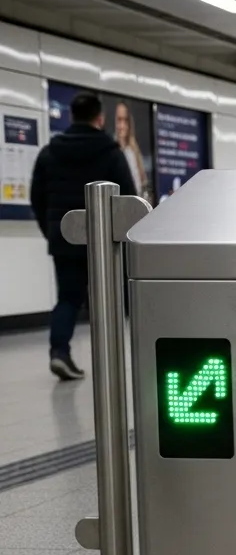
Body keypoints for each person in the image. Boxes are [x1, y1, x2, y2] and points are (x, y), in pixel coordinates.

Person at [30, 92, 138, 381]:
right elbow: (128, 198)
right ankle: (109, 359)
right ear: (99, 118)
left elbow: (37, 198)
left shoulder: (49, 153)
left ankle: (59, 352)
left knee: (68, 298)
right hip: (103, 243)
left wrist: (52, 231)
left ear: (71, 116)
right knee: (108, 300)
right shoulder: (111, 152)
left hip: (65, 238)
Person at [113, 101, 148, 202]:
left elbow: (142, 183)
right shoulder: (112, 151)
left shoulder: (134, 151)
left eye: (125, 120)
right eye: (119, 120)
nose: (121, 126)